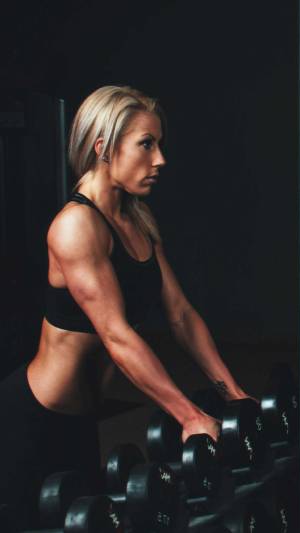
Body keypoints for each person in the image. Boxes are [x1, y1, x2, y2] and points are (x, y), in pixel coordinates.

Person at [0, 85, 253, 529]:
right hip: (32, 422)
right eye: (146, 144)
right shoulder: (76, 226)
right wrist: (190, 417)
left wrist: (235, 396)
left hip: (82, 422)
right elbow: (116, 335)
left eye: (160, 145)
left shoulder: (137, 221)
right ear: (103, 147)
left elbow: (181, 315)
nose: (161, 160)